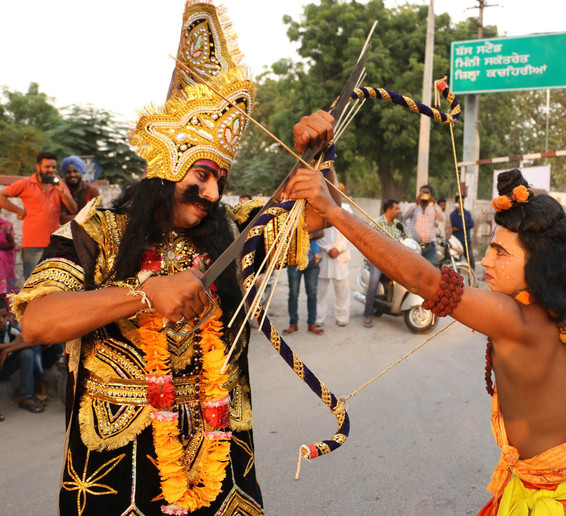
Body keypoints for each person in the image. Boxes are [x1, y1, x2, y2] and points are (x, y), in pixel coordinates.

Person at [9, 3, 329, 513]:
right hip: (118, 465)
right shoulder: (97, 229)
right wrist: (141, 295)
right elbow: (38, 320)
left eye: (220, 180)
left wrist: (315, 156)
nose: (210, 191)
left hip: (219, 448)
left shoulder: (230, 231)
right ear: (164, 166)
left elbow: (317, 214)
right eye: (201, 173)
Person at [286, 117, 566, 513]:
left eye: (501, 253)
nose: (487, 261)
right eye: (490, 248)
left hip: (564, 501)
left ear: (543, 263)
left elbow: (425, 279)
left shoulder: (518, 319)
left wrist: (333, 213)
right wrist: (324, 161)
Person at [0, 151, 77, 279]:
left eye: (53, 167)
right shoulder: (26, 183)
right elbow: (1, 196)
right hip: (32, 245)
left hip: (54, 244)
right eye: (47, 167)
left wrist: (62, 192)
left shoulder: (58, 184)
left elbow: (73, 209)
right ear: (38, 167)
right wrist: (19, 211)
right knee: (32, 284)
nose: (51, 170)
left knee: (53, 283)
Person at [363, 199, 410, 328]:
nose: (399, 211)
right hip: (377, 261)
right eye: (397, 209)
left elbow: (409, 239)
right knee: (373, 283)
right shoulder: (376, 223)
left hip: (394, 263)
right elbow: (365, 241)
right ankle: (367, 314)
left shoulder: (399, 225)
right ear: (389, 210)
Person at [0, 298, 43, 416]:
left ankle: (26, 397)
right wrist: (12, 344)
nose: (1, 320)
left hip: (4, 368)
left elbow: (34, 341)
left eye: (4, 316)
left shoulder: (10, 328)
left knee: (27, 353)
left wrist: (8, 350)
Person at [283, 232, 324, 335]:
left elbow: (322, 232)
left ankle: (312, 323)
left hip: (311, 261)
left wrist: (312, 235)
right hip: (294, 261)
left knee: (312, 293)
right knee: (293, 294)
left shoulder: (313, 217)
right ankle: (293, 324)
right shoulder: (290, 218)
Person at [402, 185, 444, 264]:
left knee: (428, 271)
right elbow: (404, 216)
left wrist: (434, 203)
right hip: (414, 245)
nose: (424, 194)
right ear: (419, 194)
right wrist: (416, 203)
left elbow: (442, 218)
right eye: (423, 192)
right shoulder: (413, 206)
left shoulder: (433, 207)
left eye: (427, 193)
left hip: (429, 247)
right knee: (413, 267)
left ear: (430, 195)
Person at [60, 155, 100, 223]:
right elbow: (62, 218)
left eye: (75, 171)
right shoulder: (61, 191)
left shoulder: (92, 191)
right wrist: (86, 216)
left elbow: (98, 215)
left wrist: (72, 218)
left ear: (81, 172)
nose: (72, 175)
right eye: (68, 172)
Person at [450, 194, 475, 268]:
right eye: (459, 202)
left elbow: (471, 224)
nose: (461, 204)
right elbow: (458, 224)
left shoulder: (467, 213)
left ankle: (471, 279)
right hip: (457, 241)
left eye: (462, 202)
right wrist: (459, 214)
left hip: (467, 240)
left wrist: (460, 228)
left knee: (471, 261)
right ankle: (458, 278)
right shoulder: (453, 214)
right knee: (457, 262)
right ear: (456, 202)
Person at [0, 215, 17, 296]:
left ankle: (4, 306)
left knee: (5, 289)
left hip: (4, 261)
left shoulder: (6, 225)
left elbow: (11, 245)